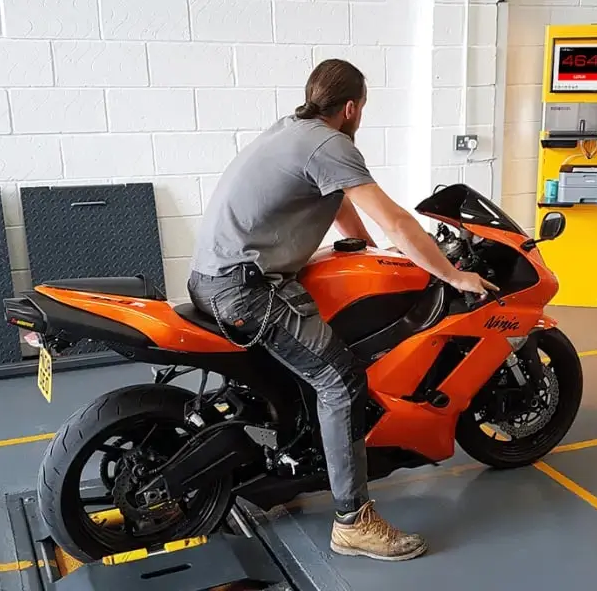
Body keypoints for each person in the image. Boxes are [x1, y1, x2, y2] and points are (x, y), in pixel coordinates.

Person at [187, 59, 497, 561]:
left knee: (312, 362)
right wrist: (453, 274)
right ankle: (353, 520)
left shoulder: (292, 129)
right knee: (341, 380)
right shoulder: (334, 144)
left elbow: (341, 203)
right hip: (245, 289)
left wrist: (363, 246)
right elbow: (396, 219)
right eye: (363, 109)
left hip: (211, 277)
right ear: (352, 107)